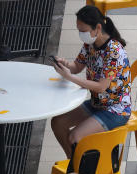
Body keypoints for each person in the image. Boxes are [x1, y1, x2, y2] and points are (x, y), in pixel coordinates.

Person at [49, 5, 132, 156]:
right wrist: (65, 64)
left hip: (115, 110)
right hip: (97, 104)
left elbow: (101, 87)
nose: (81, 35)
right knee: (58, 122)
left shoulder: (114, 52)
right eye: (79, 30)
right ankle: (74, 165)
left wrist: (70, 77)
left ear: (97, 28)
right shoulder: (90, 44)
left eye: (83, 31)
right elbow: (77, 66)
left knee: (75, 137)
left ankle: (81, 172)